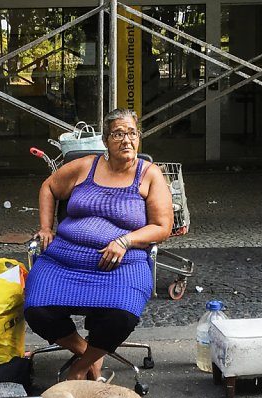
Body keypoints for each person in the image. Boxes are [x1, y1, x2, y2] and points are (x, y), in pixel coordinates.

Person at [24, 109, 174, 381]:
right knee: (37, 309)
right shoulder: (85, 166)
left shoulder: (149, 175)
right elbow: (49, 187)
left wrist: (125, 240)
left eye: (132, 133)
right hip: (64, 260)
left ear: (138, 138)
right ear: (106, 140)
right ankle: (89, 354)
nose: (126, 140)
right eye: (118, 134)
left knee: (121, 316)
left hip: (121, 263)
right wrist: (46, 227)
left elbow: (162, 227)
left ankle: (80, 369)